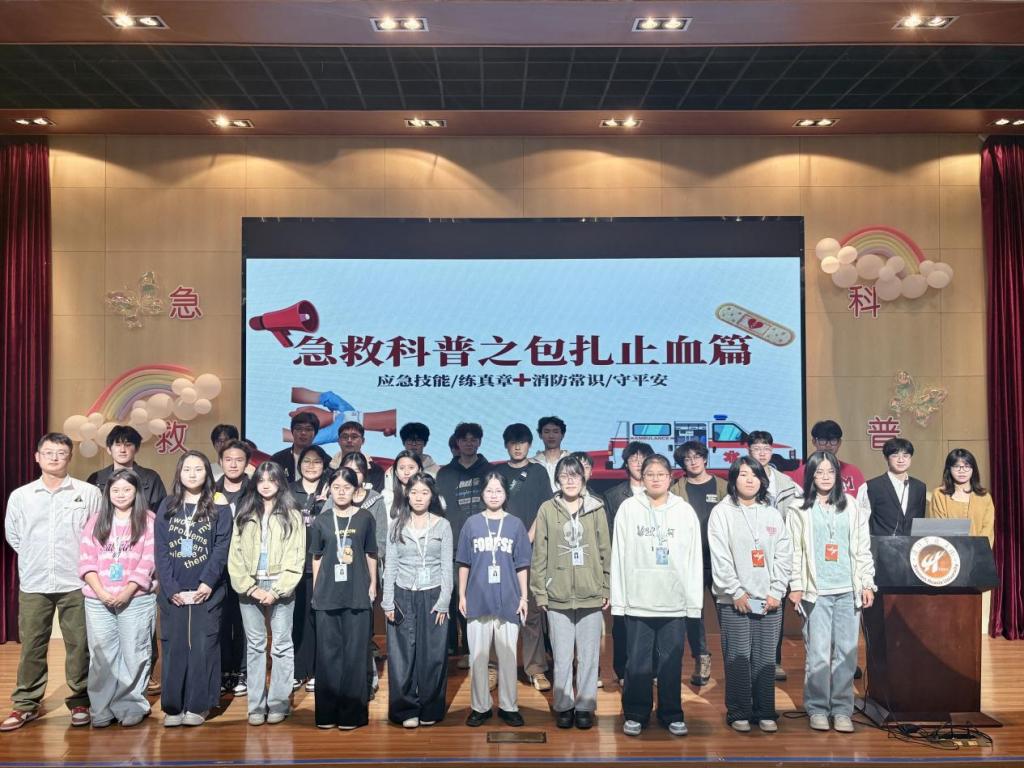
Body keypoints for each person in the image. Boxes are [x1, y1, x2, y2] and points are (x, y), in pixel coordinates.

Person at [1, 433, 101, 732]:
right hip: (35, 581)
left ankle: (81, 700)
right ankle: (25, 704)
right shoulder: (21, 496)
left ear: (70, 456)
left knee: (79, 645)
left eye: (61, 452)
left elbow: (97, 533)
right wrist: (36, 556)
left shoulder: (88, 492)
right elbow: (13, 535)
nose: (55, 457)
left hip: (76, 580)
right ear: (37, 457)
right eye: (48, 452)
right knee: (32, 645)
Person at [610, 454, 702, 738]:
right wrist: (619, 601)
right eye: (650, 474)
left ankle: (671, 713)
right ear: (642, 477)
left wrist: (693, 604)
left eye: (661, 474)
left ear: (671, 477)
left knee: (671, 662)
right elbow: (618, 555)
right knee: (637, 662)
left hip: (673, 602)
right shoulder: (629, 508)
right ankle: (635, 713)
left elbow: (693, 558)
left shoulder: (684, 511)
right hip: (638, 601)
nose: (655, 478)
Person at [788, 451, 876, 734]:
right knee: (818, 654)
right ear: (810, 476)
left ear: (838, 475)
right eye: (819, 472)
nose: (825, 477)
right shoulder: (798, 508)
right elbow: (795, 551)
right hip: (816, 592)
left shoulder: (851, 505)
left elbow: (862, 547)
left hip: (848, 589)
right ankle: (817, 707)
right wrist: (796, 585)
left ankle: (841, 709)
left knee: (846, 654)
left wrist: (867, 583)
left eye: (830, 472)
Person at [708, 456, 793, 734]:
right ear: (733, 479)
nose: (749, 480)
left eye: (754, 475)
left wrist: (777, 591)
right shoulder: (722, 512)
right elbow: (720, 557)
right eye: (743, 474)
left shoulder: (771, 513)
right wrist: (736, 592)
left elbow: (784, 554)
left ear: (762, 480)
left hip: (769, 600)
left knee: (766, 659)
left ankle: (765, 711)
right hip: (735, 600)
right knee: (738, 658)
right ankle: (739, 711)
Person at [154, 451, 233, 727]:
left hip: (207, 590)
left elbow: (222, 547)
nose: (192, 474)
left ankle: (199, 705)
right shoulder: (167, 505)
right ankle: (173, 706)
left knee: (203, 646)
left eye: (198, 469)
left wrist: (207, 582)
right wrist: (170, 587)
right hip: (173, 591)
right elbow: (161, 549)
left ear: (207, 474)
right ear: (179, 472)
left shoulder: (219, 505)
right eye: (187, 469)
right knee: (174, 647)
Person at [531, 455, 610, 730]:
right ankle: (563, 705)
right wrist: (540, 592)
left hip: (590, 592)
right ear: (557, 480)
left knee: (588, 656)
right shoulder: (546, 509)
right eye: (564, 476)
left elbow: (605, 550)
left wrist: (606, 586)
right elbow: (539, 553)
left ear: (583, 478)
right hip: (557, 595)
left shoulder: (596, 508)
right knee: (562, 656)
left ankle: (586, 706)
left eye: (574, 475)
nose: (570, 480)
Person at [78, 468, 157, 727]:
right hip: (97, 599)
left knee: (135, 653)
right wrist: (101, 592)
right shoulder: (96, 520)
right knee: (102, 657)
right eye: (115, 490)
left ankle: (131, 705)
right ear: (107, 493)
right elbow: (86, 560)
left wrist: (127, 591)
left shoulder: (149, 520)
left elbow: (149, 561)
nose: (121, 494)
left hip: (136, 599)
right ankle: (101, 708)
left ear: (137, 492)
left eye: (127, 489)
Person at [228, 462, 304, 726]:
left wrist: (278, 590)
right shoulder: (245, 511)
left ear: (280, 482)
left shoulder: (292, 514)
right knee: (255, 646)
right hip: (249, 585)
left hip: (280, 585)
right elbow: (234, 554)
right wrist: (249, 587)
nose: (266, 484)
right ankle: (256, 706)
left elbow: (297, 556)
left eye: (272, 479)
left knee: (281, 645)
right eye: (261, 479)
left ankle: (279, 704)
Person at [457, 472, 532, 727]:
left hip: (509, 598)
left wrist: (524, 597)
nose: (493, 495)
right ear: (482, 494)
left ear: (506, 494)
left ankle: (509, 706)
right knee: (478, 657)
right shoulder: (471, 524)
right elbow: (464, 562)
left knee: (508, 657)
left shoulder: (515, 525)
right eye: (489, 490)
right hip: (477, 598)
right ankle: (480, 707)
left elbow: (522, 565)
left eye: (498, 491)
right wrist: (462, 594)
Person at [381, 473, 453, 728]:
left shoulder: (442, 525)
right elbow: (390, 565)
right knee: (401, 656)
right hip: (402, 593)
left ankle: (431, 708)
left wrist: (444, 600)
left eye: (424, 492)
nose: (419, 497)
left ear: (432, 496)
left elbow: (447, 566)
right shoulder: (396, 525)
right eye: (414, 493)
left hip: (433, 593)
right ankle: (405, 710)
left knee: (433, 654)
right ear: (407, 495)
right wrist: (387, 601)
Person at [309, 467, 378, 730]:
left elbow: (371, 553)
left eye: (346, 488)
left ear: (356, 491)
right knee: (327, 655)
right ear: (329, 490)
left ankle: (352, 715)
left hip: (357, 593)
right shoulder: (322, 520)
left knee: (355, 654)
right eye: (336, 487)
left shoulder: (365, 518)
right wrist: (316, 589)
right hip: (327, 594)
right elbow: (317, 557)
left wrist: (373, 584)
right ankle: (326, 714)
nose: (341, 492)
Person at [494, 422, 553, 692]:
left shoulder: (538, 472)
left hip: (531, 550)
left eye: (522, 442)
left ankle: (535, 668)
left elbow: (545, 509)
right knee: (497, 611)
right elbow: (492, 506)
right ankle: (493, 667)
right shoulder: (498, 473)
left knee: (531, 612)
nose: (517, 447)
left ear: (530, 444)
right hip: (500, 550)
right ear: (506, 445)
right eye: (513, 442)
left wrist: (527, 537)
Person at [670, 440, 728, 687]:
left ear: (705, 458)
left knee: (728, 612)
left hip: (719, 561)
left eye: (697, 456)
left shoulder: (723, 486)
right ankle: (701, 658)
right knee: (694, 614)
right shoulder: (676, 489)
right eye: (687, 458)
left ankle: (734, 660)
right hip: (689, 562)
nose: (693, 462)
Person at [747, 430, 801, 681]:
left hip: (778, 552)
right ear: (749, 451)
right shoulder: (742, 477)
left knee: (774, 603)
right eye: (756, 448)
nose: (762, 453)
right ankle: (751, 658)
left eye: (766, 448)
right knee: (751, 604)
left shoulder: (786, 483)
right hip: (751, 554)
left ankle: (774, 660)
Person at [436, 422, 491, 663]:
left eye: (473, 439)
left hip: (482, 546)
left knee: (476, 598)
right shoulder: (444, 474)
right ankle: (450, 647)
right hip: (451, 546)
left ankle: (473, 650)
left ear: (479, 442)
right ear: (457, 443)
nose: (469, 443)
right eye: (464, 439)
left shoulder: (490, 471)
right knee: (450, 598)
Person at [603, 440, 654, 685]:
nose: (638, 463)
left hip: (654, 568)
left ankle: (652, 669)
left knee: (653, 620)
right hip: (624, 568)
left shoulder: (662, 494)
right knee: (622, 622)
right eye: (633, 458)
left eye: (643, 458)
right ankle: (623, 671)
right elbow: (609, 536)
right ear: (626, 463)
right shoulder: (613, 496)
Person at [340, 451, 389, 693]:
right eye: (348, 470)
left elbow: (380, 541)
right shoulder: (334, 498)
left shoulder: (375, 500)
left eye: (358, 471)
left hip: (365, 572)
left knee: (361, 630)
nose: (353, 475)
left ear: (365, 475)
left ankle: (367, 680)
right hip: (338, 574)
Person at [289, 445, 332, 692]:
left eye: (317, 462)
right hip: (294, 565)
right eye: (307, 461)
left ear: (324, 466)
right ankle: (298, 670)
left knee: (319, 618)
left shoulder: (330, 489)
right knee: (297, 619)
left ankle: (318, 670)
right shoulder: (289, 490)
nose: (311, 466)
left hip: (322, 564)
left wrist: (325, 504)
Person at [215, 438, 252, 696]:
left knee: (243, 621)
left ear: (247, 463)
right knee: (219, 620)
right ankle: (222, 671)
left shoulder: (255, 491)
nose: (233, 464)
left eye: (239, 459)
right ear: (220, 462)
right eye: (228, 459)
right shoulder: (210, 491)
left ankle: (242, 671)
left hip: (245, 565)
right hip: (217, 565)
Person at [86, 425, 167, 512]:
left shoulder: (150, 478)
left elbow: (161, 511)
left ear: (137, 449)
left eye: (128, 445)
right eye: (118, 445)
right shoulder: (97, 478)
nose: (122, 450)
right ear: (109, 449)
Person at [857, 438, 926, 537]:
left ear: (910, 458)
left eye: (905, 456)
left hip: (911, 544)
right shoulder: (871, 486)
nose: (901, 460)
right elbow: (860, 522)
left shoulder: (919, 487)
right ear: (886, 458)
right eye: (895, 455)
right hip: (880, 544)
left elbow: (920, 521)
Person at [927, 448, 995, 547]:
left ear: (973, 469)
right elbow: (940, 528)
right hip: (949, 552)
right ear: (949, 469)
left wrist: (976, 550)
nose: (962, 471)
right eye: (956, 466)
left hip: (978, 552)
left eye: (966, 466)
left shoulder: (984, 497)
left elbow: (988, 530)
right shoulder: (939, 494)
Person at [784, 421, 866, 497]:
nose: (828, 445)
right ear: (814, 442)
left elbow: (863, 504)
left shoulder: (854, 472)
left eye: (833, 440)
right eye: (823, 440)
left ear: (839, 442)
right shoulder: (802, 473)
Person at [328, 422, 386, 492]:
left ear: (363, 441)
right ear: (338, 441)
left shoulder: (376, 471)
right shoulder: (328, 469)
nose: (349, 440)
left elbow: (377, 496)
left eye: (354, 437)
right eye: (345, 437)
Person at [271, 412, 319, 483]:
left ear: (315, 433)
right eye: (298, 429)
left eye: (308, 429)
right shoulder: (277, 459)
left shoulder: (325, 461)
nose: (303, 433)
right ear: (292, 431)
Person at [382, 450, 423, 525]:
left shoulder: (430, 497)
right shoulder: (386, 498)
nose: (406, 472)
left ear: (419, 470)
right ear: (396, 472)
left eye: (411, 468)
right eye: (402, 468)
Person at [531, 416, 570, 492]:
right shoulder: (531, 463)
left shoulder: (573, 460)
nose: (551, 436)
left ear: (562, 435)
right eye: (546, 432)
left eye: (555, 432)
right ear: (540, 435)